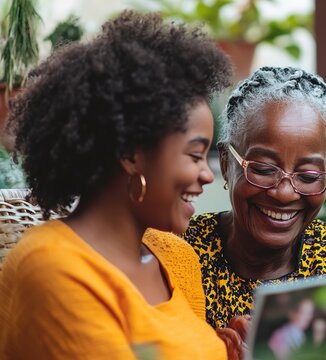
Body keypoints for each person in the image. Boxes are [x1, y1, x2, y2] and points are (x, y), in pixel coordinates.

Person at [0, 11, 244, 359]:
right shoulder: (51, 268)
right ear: (130, 155)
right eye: (194, 155)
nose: (207, 174)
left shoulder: (175, 257)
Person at [184, 66, 326, 329]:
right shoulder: (180, 256)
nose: (285, 193)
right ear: (226, 163)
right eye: (263, 169)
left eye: (308, 175)